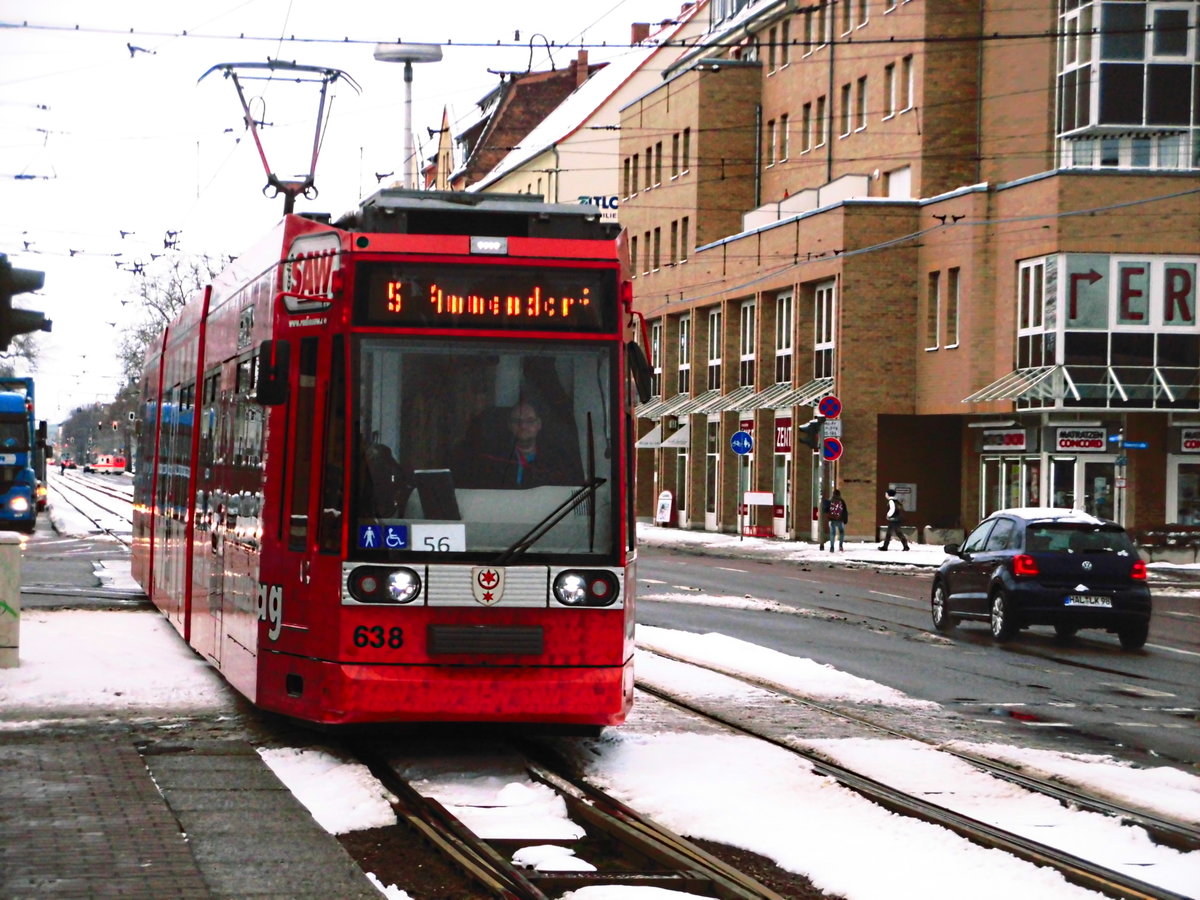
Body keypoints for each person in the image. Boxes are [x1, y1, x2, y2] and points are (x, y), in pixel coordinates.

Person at [468, 401, 581, 489]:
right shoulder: (493, 460)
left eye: (530, 421)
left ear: (539, 424)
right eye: (517, 421)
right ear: (509, 425)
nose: (523, 426)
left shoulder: (557, 462)